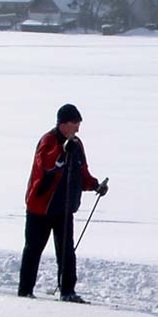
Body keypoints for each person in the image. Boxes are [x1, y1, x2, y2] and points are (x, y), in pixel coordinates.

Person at [18, 104, 107, 303]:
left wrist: (95, 185)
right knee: (33, 250)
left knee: (66, 251)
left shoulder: (77, 144)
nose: (78, 129)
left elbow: (81, 172)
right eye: (75, 124)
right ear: (64, 123)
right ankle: (25, 292)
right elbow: (47, 165)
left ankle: (68, 292)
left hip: (64, 208)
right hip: (41, 208)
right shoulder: (48, 140)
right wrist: (62, 150)